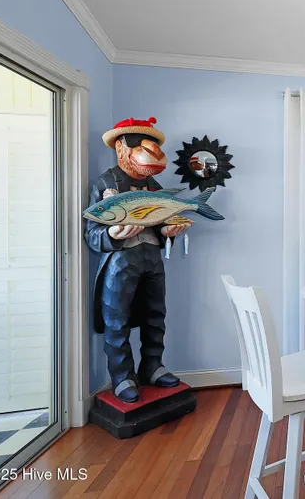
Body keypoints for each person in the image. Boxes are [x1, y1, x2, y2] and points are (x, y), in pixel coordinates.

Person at [85, 117, 189, 403]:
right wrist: (112, 234)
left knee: (156, 315)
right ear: (121, 147)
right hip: (121, 261)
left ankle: (153, 366)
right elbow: (92, 233)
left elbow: (162, 222)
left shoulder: (154, 186)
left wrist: (168, 232)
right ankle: (122, 376)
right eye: (138, 144)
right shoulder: (106, 183)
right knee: (116, 320)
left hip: (152, 259)